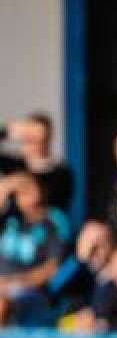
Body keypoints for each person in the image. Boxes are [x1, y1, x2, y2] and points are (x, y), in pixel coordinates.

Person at [0, 172, 70, 326]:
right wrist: (8, 186)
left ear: (41, 190)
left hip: (30, 292)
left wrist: (15, 282)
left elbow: (52, 268)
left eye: (29, 188)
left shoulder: (53, 220)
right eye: (20, 191)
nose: (25, 194)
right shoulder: (11, 218)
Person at [6, 112, 74, 212]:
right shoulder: (13, 165)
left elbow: (45, 204)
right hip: (10, 226)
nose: (35, 144)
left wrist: (16, 182)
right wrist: (6, 132)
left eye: (39, 138)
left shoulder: (62, 173)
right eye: (29, 137)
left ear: (48, 138)